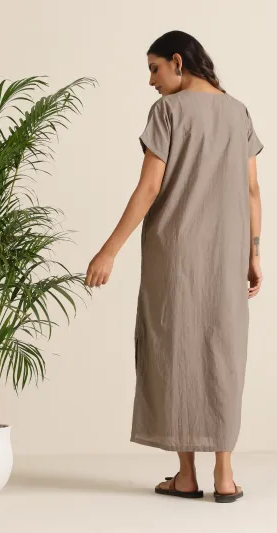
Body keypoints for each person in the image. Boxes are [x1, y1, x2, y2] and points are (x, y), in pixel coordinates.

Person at [84, 30, 264, 503]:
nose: (151, 80)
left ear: (178, 62)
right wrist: (254, 253)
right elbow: (252, 191)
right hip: (226, 257)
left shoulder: (167, 112)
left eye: (154, 68)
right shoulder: (238, 112)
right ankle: (224, 476)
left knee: (177, 350)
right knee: (224, 352)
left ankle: (186, 475)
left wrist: (109, 250)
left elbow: (149, 188)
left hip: (175, 256)